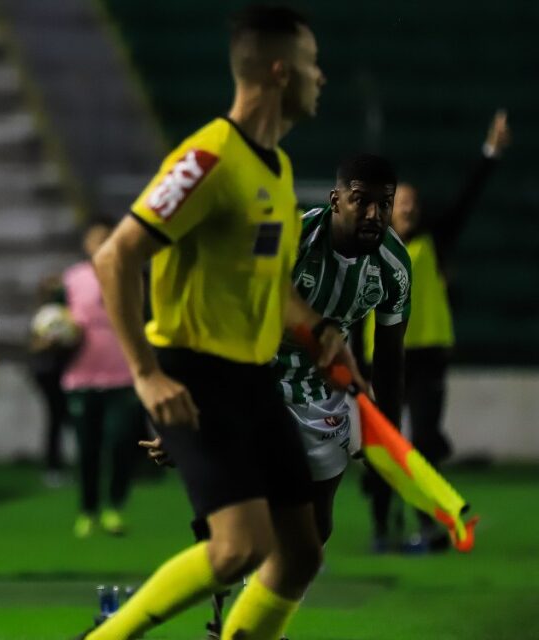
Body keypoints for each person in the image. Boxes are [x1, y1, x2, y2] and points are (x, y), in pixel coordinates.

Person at [82, 7, 361, 640]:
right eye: (313, 64)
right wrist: (147, 376)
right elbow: (115, 256)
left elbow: (271, 283)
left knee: (300, 552)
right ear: (280, 71)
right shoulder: (207, 158)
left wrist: (318, 332)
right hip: (193, 373)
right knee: (238, 548)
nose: (322, 77)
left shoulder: (279, 170)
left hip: (253, 379)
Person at [143, 154, 411, 637]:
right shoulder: (293, 240)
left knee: (313, 534)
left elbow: (389, 359)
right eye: (361, 201)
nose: (374, 214)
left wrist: (384, 436)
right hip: (257, 384)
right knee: (252, 525)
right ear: (336, 199)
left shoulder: (393, 268)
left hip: (321, 398)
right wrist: (194, 413)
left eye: (384, 204)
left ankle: (247, 615)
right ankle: (242, 622)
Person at [363, 109, 511, 551]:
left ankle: (427, 524)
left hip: (428, 355)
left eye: (411, 201)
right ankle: (381, 526)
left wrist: (491, 153)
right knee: (383, 448)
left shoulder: (433, 240)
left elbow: (468, 196)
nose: (407, 206)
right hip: (384, 357)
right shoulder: (366, 246)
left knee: (423, 441)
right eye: (399, 201)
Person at [62, 222, 141, 538]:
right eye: (97, 238)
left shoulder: (132, 274)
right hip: (81, 376)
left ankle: (115, 507)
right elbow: (51, 317)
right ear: (86, 243)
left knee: (122, 443)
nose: (103, 243)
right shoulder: (72, 278)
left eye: (109, 238)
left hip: (124, 375)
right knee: (87, 449)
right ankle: (88, 511)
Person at [27, 276, 77, 488]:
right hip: (48, 373)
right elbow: (34, 346)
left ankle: (57, 466)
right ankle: (53, 467)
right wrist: (49, 343)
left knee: (62, 417)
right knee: (58, 417)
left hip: (60, 372)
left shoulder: (65, 314)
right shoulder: (44, 317)